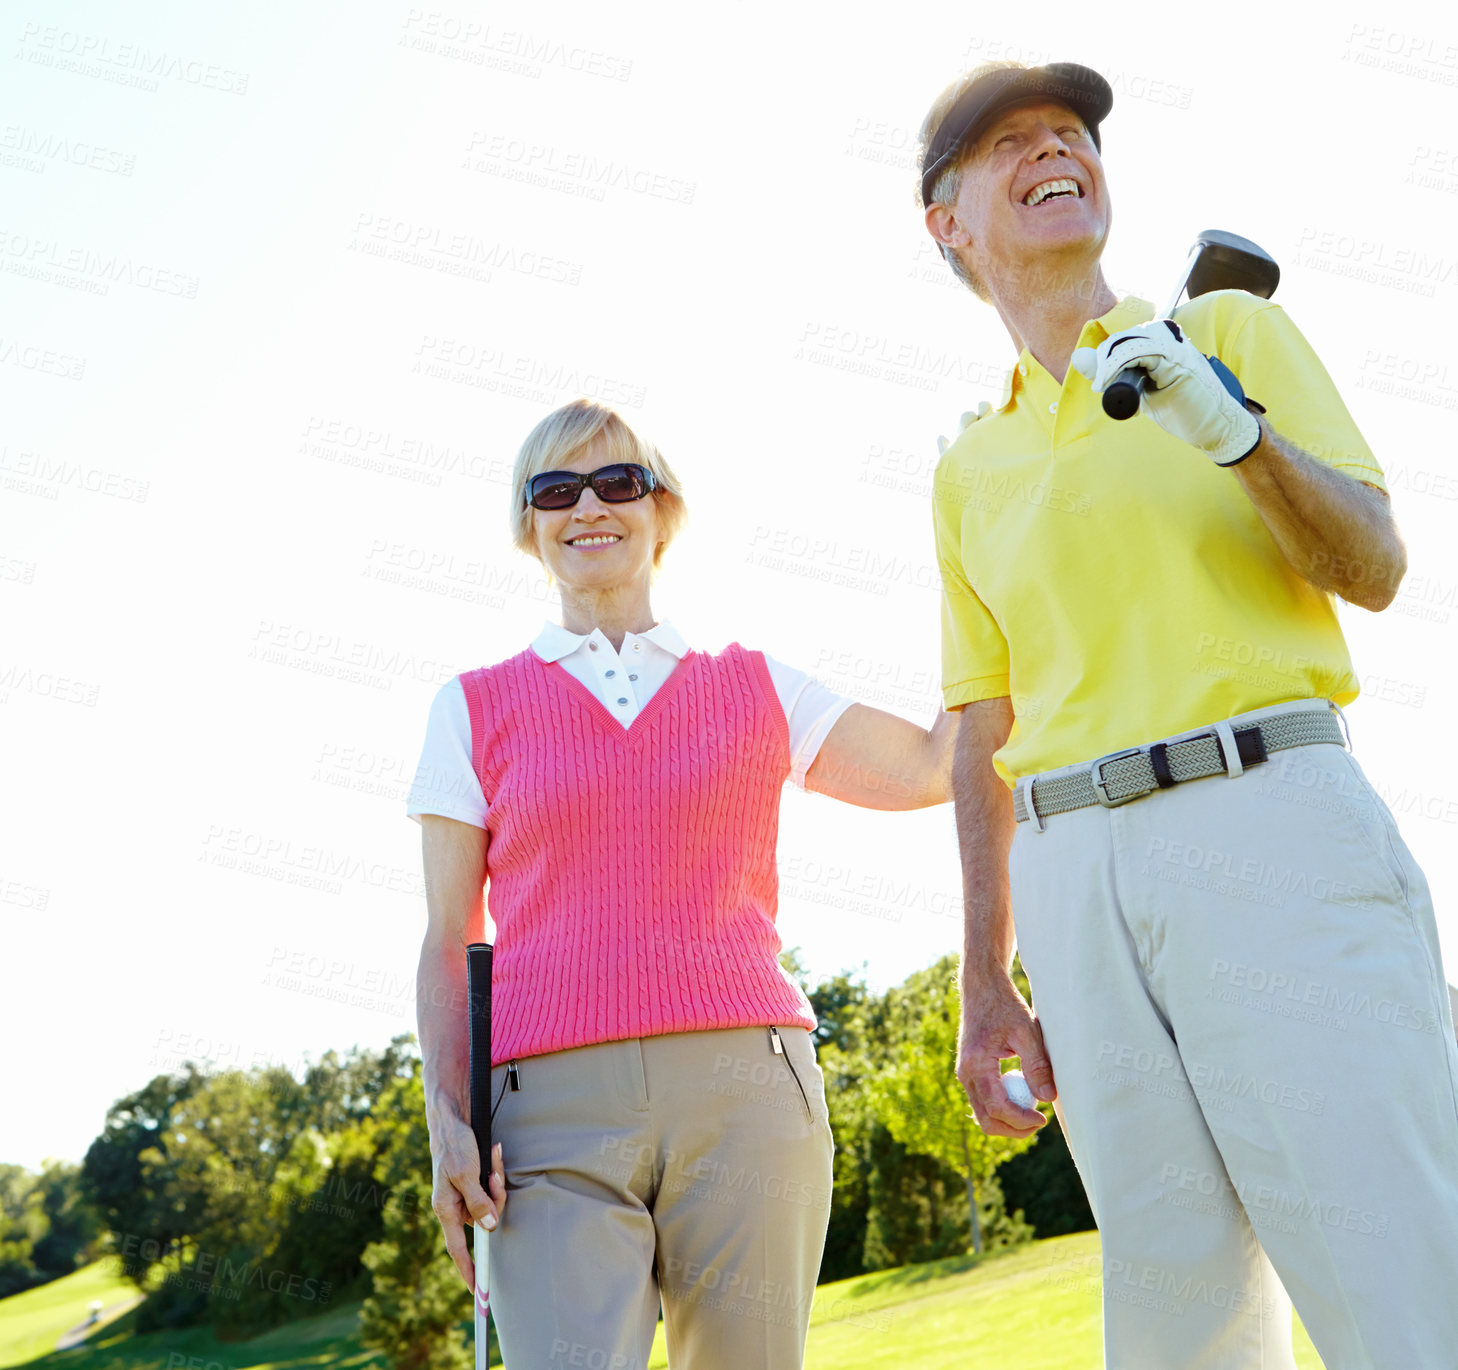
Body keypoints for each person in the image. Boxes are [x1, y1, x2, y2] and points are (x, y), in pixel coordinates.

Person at [916, 58, 1458, 1368]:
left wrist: (1232, 432)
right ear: (949, 224)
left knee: (1392, 1266)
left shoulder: (1228, 341)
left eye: (1070, 132)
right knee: (1176, 1321)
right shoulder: (967, 463)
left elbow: (1372, 563)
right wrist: (986, 972)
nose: (1054, 148)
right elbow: (982, 721)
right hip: (1074, 882)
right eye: (1010, 143)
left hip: (1264, 817)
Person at [407, 397, 956, 1369]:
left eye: (619, 481)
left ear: (664, 511)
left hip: (748, 1090)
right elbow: (450, 934)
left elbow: (928, 765)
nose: (589, 505)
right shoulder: (472, 707)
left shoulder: (754, 683)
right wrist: (446, 1121)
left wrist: (977, 562)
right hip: (544, 1120)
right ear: (529, 526)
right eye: (555, 488)